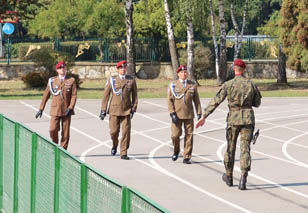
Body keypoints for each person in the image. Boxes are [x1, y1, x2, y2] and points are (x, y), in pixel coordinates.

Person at [196, 59, 262, 190]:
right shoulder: (251, 84)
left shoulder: (228, 84)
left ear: (234, 69)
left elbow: (216, 101)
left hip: (233, 118)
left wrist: (204, 116)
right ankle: (243, 179)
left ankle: (229, 176)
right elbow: (257, 103)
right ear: (243, 70)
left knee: (230, 148)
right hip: (248, 119)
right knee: (245, 149)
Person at [100, 60, 138, 160]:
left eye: (125, 67)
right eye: (121, 68)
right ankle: (114, 145)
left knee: (126, 132)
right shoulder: (112, 80)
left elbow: (135, 96)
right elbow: (106, 96)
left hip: (126, 110)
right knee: (114, 132)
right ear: (118, 69)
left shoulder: (131, 80)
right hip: (114, 110)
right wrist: (103, 110)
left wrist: (134, 108)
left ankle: (123, 152)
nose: (123, 69)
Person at [35, 61, 77, 150]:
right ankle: (55, 145)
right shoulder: (52, 81)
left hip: (66, 110)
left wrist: (71, 107)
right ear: (57, 70)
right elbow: (46, 95)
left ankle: (63, 150)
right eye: (60, 68)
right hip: (55, 109)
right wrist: (41, 109)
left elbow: (74, 95)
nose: (62, 69)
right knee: (52, 129)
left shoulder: (71, 80)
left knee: (65, 132)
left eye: (64, 67)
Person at [168, 65, 202, 164]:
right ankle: (176, 150)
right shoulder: (173, 85)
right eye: (182, 72)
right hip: (177, 115)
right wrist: (172, 113)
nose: (184, 74)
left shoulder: (192, 85)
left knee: (189, 136)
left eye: (185, 72)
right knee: (175, 135)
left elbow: (197, 100)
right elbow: (170, 100)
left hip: (189, 115)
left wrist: (199, 112)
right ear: (178, 74)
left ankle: (187, 156)